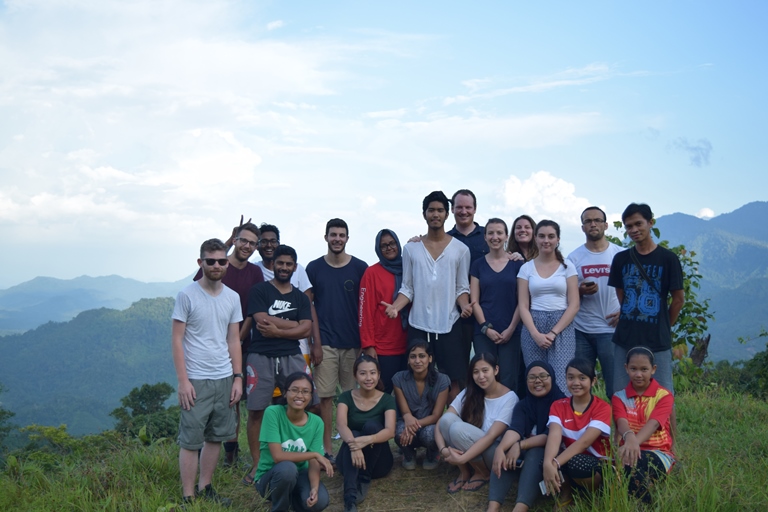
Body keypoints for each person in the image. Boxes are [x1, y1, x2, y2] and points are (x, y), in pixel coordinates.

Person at [172, 238, 243, 506]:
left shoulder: (232, 297)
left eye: (221, 261)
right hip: (196, 379)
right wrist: (183, 381)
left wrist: (237, 378)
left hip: (224, 376)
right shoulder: (187, 295)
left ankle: (206, 487)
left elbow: (233, 340)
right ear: (200, 262)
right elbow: (177, 339)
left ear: (227, 264)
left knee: (216, 436)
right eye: (210, 261)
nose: (216, 265)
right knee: (191, 439)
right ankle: (188, 496)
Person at [383, 191, 473, 402]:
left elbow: (461, 287)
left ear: (446, 214)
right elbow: (408, 288)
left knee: (453, 382)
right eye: (431, 210)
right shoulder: (411, 249)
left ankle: (451, 428)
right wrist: (396, 307)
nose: (435, 214)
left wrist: (465, 305)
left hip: (449, 324)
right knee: (417, 379)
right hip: (419, 324)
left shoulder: (461, 250)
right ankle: (421, 429)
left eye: (440, 210)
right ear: (424, 214)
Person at [609, 203, 684, 442]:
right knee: (620, 393)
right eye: (629, 226)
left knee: (665, 395)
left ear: (651, 223)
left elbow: (678, 300)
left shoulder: (668, 259)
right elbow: (622, 295)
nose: (634, 229)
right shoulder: (621, 259)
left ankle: (671, 447)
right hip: (626, 336)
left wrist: (663, 325)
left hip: (657, 338)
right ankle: (620, 444)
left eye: (639, 223)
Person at [194, 220, 264, 464]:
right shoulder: (217, 266)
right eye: (242, 240)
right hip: (206, 344)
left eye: (252, 243)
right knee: (205, 399)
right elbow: (197, 289)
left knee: (233, 400)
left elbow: (251, 312)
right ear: (234, 240)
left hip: (239, 344)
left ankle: (230, 454)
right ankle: (200, 449)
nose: (246, 246)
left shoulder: (255, 273)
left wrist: (237, 340)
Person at [244, 245, 313, 485]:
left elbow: (307, 328)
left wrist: (279, 332)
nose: (284, 267)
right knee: (256, 410)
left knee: (303, 404)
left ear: (295, 267)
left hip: (291, 355)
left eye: (289, 264)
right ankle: (257, 465)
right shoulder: (260, 291)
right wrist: (292, 327)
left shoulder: (300, 297)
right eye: (280, 263)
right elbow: (261, 321)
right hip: (260, 355)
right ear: (273, 265)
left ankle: (300, 458)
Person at [306, 219, 369, 461]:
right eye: (333, 235)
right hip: (326, 342)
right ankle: (326, 447)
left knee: (352, 395)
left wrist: (366, 342)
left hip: (353, 342)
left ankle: (351, 444)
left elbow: (366, 305)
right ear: (326, 237)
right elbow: (308, 305)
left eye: (342, 235)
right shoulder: (314, 268)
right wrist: (316, 343)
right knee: (325, 396)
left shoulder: (359, 267)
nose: (337, 239)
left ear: (347, 238)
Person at [487, 361, 565, 512]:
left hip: (554, 456)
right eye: (532, 377)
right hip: (525, 452)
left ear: (552, 378)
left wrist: (520, 445)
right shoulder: (523, 405)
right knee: (504, 449)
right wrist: (501, 449)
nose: (537, 381)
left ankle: (520, 508)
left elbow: (550, 436)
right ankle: (493, 507)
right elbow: (515, 429)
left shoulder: (561, 403)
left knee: (536, 451)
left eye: (543, 376)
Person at [436, 352, 518, 494]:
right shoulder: (471, 391)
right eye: (476, 372)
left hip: (495, 452)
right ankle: (465, 472)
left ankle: (483, 473)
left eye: (485, 370)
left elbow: (491, 437)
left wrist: (462, 459)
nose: (481, 377)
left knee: (457, 429)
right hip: (472, 447)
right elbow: (441, 422)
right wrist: (443, 450)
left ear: (496, 370)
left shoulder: (509, 398)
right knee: (447, 420)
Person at [254, 372, 332, 512]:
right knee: (287, 469)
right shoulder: (273, 413)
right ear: (285, 393)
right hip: (271, 476)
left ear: (310, 396)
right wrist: (313, 454)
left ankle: (292, 499)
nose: (300, 395)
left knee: (320, 502)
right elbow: (278, 456)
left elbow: (314, 462)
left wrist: (314, 487)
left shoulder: (317, 422)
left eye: (305, 392)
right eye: (294, 390)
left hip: (300, 475)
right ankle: (279, 508)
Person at [517, 220, 579, 395]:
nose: (546, 240)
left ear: (558, 239)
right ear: (535, 238)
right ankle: (538, 420)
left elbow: (574, 305)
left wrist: (553, 333)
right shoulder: (526, 268)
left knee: (560, 378)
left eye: (551, 236)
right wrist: (535, 334)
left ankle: (560, 420)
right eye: (542, 236)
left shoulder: (567, 267)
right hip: (533, 325)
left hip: (562, 327)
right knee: (536, 379)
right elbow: (523, 305)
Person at [567, 206, 624, 398]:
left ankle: (619, 427)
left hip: (611, 329)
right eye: (588, 221)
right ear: (582, 227)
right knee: (580, 386)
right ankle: (583, 427)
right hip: (581, 330)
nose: (593, 224)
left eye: (597, 220)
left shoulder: (620, 255)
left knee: (616, 387)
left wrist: (625, 310)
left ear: (606, 225)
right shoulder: (573, 258)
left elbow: (633, 289)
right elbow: (566, 293)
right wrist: (580, 291)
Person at [542, 358, 611, 505]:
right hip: (567, 458)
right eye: (570, 377)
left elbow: (584, 443)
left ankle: (596, 493)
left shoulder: (602, 408)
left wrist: (554, 464)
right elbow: (554, 435)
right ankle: (566, 492)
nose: (576, 383)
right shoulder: (558, 405)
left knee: (577, 463)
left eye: (582, 378)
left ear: (593, 381)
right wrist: (548, 463)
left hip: (596, 463)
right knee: (542, 458)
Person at [612, 347, 676, 503]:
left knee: (633, 461)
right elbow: (621, 422)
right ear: (626, 368)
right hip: (626, 451)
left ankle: (644, 504)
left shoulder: (664, 396)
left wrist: (632, 443)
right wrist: (629, 438)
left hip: (658, 453)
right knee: (627, 462)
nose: (638, 374)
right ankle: (645, 500)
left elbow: (653, 424)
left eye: (644, 369)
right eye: (633, 369)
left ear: (653, 369)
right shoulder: (618, 397)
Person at [336, 355, 396, 512]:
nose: (368, 378)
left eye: (372, 373)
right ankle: (349, 498)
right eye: (363, 373)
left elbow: (390, 431)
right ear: (355, 375)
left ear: (378, 374)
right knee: (353, 432)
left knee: (372, 426)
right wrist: (355, 446)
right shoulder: (346, 397)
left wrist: (367, 440)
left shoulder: (387, 399)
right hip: (349, 459)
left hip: (378, 463)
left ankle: (364, 478)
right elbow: (341, 425)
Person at [254, 224, 318, 372]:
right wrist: (297, 324)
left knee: (297, 390)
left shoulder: (298, 270)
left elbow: (309, 308)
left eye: (273, 241)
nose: (269, 245)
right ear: (257, 245)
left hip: (298, 346)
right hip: (264, 347)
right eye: (264, 241)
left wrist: (315, 342)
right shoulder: (255, 271)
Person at [470, 218, 524, 392]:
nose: (495, 237)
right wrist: (486, 328)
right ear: (484, 237)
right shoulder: (477, 265)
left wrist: (510, 329)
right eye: (491, 233)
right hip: (484, 332)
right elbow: (474, 301)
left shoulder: (517, 264)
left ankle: (508, 418)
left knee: (509, 378)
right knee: (484, 377)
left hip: (511, 331)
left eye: (499, 232)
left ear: (506, 236)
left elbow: (522, 302)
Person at [359, 229, 408, 393]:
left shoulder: (409, 268)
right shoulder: (371, 273)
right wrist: (369, 345)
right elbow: (364, 312)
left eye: (392, 243)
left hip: (409, 342)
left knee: (408, 394)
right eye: (384, 246)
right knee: (381, 393)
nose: (389, 248)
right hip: (383, 346)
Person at [392, 340, 451, 470]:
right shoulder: (399, 379)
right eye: (413, 357)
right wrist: (408, 421)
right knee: (398, 431)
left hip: (429, 424)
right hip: (408, 422)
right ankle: (408, 454)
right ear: (408, 360)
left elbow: (436, 415)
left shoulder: (442, 380)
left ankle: (432, 453)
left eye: (422, 356)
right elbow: (405, 413)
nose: (417, 361)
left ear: (430, 358)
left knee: (430, 434)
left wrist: (413, 425)